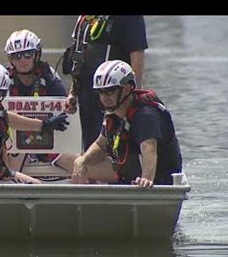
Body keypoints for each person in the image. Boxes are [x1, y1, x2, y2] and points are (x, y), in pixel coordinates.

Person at [70, 60, 182, 188]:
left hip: (157, 182)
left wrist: (146, 179)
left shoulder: (145, 115)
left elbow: (149, 150)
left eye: (110, 91)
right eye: (100, 92)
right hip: (126, 176)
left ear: (127, 88)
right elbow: (101, 145)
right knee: (70, 160)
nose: (104, 97)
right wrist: (82, 161)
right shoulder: (114, 114)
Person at [63, 16, 148, 151]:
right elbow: (79, 56)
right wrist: (73, 92)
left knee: (110, 148)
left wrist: (133, 99)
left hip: (115, 96)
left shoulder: (131, 18)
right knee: (89, 146)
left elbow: (137, 57)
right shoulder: (85, 17)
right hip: (86, 97)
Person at [3, 29, 68, 171]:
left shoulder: (49, 77)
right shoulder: (4, 79)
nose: (23, 60)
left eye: (28, 54)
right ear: (10, 59)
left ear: (36, 54)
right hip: (14, 144)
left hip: (49, 143)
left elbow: (65, 109)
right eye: (17, 56)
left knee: (79, 163)